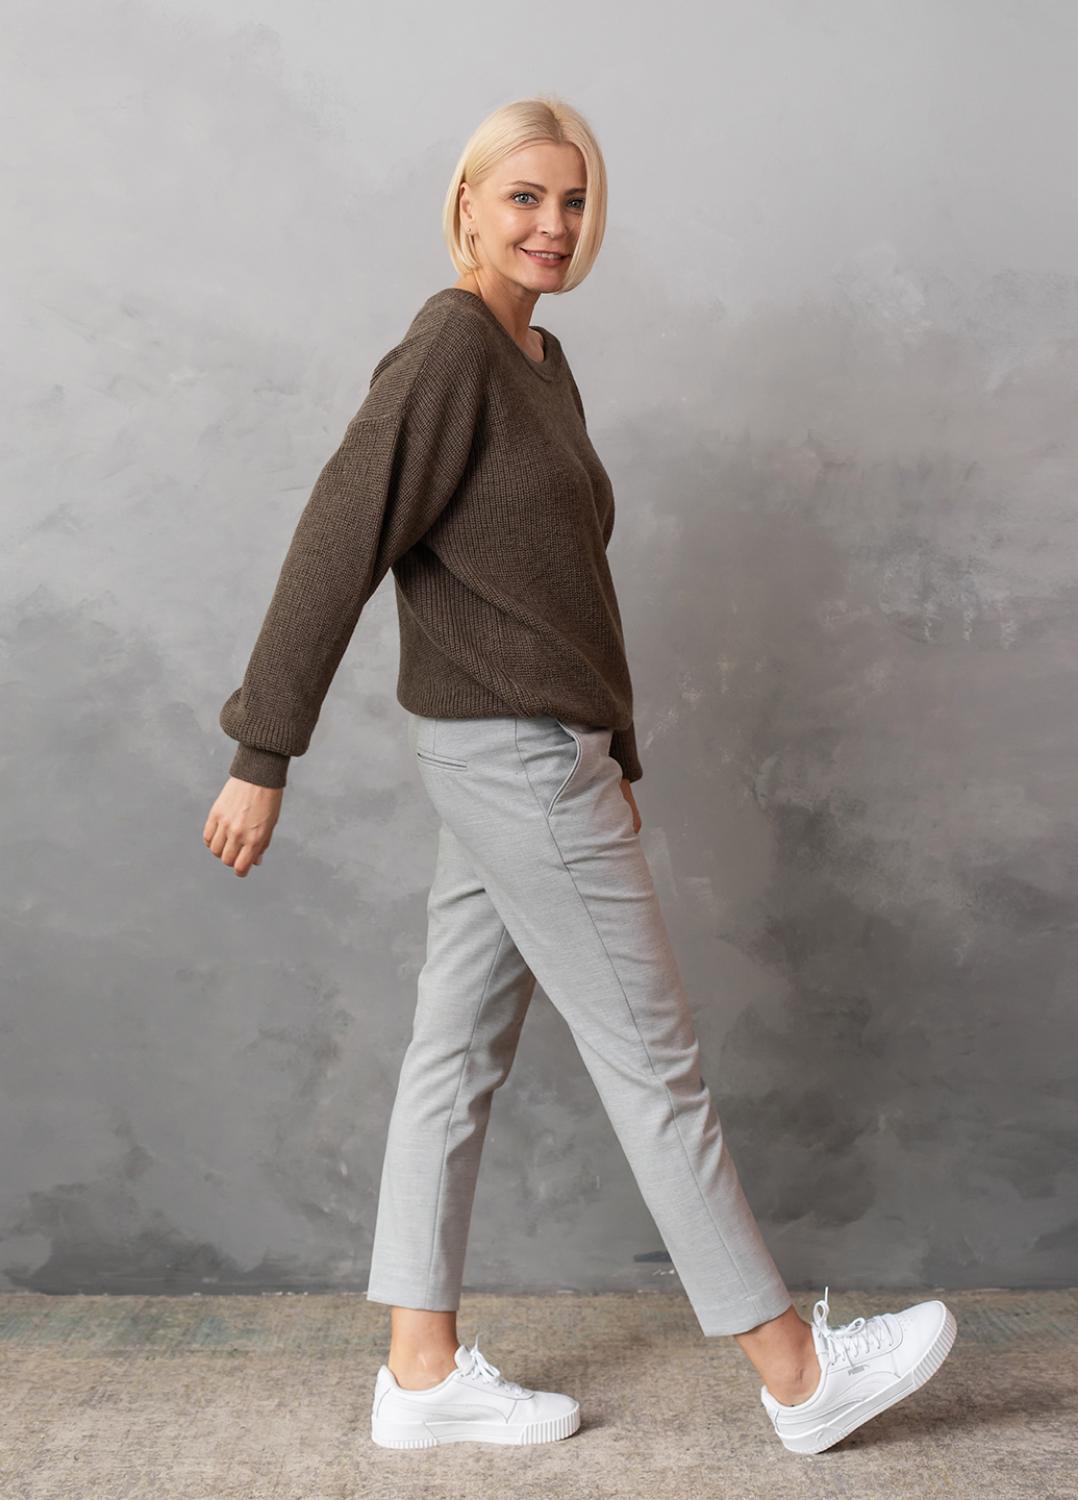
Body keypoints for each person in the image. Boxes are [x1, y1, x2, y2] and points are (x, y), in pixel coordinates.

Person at [203, 95, 956, 1455]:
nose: (551, 225)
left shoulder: (540, 361)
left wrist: (621, 747)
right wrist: (266, 751)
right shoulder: (451, 348)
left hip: (532, 754)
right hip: (515, 761)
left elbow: (564, 588)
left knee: (452, 1054)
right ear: (466, 205)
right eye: (523, 197)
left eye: (572, 200)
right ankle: (798, 1377)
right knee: (656, 1069)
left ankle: (420, 1376)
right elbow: (338, 535)